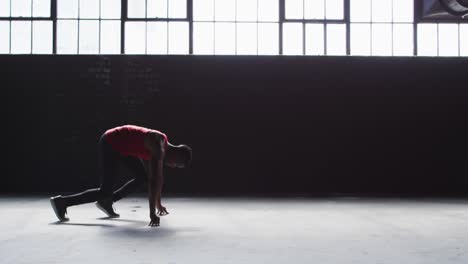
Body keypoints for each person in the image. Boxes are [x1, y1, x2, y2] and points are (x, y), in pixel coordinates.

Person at [49, 124, 192, 227]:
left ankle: (107, 202)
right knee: (105, 191)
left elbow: (158, 179)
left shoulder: (162, 146)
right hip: (111, 142)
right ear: (178, 155)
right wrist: (152, 213)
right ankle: (62, 202)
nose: (172, 166)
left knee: (142, 177)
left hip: (124, 148)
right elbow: (155, 181)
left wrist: (158, 203)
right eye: (176, 164)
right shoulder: (159, 147)